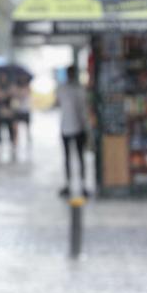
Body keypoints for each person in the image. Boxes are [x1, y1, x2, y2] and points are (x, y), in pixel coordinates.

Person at [57, 65, 91, 197]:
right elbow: (83, 110)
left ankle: (76, 185)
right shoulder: (77, 89)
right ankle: (73, 185)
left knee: (74, 158)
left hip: (73, 127)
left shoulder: (65, 89)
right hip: (73, 127)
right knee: (74, 158)